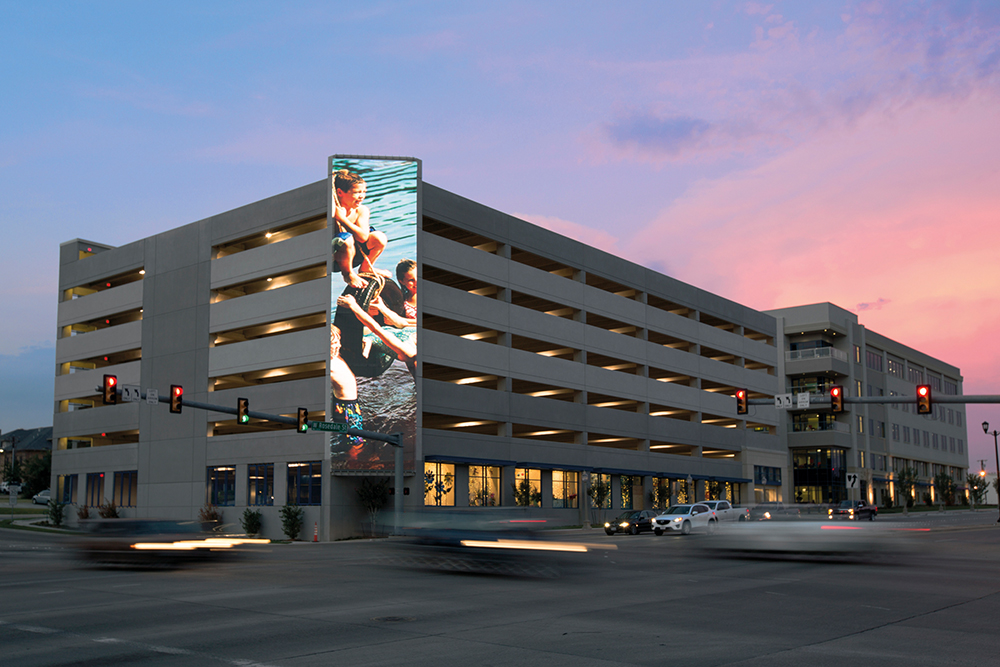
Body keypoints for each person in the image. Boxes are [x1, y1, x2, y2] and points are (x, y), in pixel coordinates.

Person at [331, 170, 387, 288]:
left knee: (380, 237)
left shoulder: (361, 210)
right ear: (340, 192)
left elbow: (363, 238)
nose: (362, 196)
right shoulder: (332, 211)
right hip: (336, 260)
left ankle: (366, 267)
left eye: (364, 192)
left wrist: (343, 220)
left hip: (356, 255)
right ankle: (348, 274)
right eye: (356, 192)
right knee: (347, 239)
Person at [338, 293, 416, 377]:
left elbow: (376, 329)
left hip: (376, 343)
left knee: (348, 337)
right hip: (387, 330)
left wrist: (353, 306)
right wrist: (381, 306)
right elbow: (402, 323)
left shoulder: (408, 353)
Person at [330, 324, 364, 462]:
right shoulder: (329, 363)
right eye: (333, 343)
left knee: (347, 434)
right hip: (346, 408)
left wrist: (365, 344)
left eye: (339, 340)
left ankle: (344, 449)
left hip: (346, 404)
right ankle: (353, 461)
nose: (338, 345)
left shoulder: (335, 356)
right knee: (356, 440)